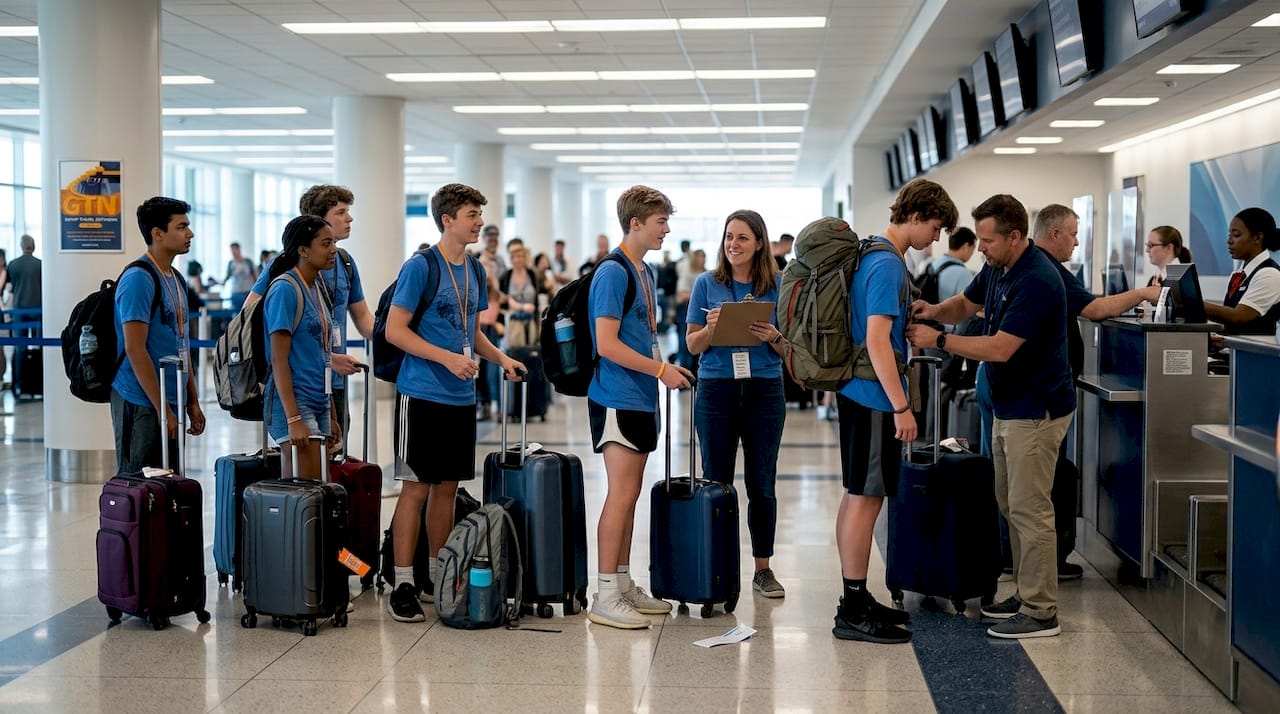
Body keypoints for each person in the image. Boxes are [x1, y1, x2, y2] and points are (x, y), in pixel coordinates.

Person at [907, 194, 1075, 640]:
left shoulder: (1037, 279)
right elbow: (967, 303)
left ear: (1015, 237)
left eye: (988, 240)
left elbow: (1000, 347)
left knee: (1030, 507)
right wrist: (935, 312)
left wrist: (938, 340)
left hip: (1035, 410)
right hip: (1007, 405)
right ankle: (1026, 592)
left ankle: (1041, 611)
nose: (981, 247)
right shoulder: (1000, 268)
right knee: (1010, 502)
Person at [384, 183, 524, 623]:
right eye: (471, 213)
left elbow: (471, 330)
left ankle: (436, 574)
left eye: (479, 213)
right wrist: (447, 359)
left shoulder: (476, 271)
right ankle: (403, 581)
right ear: (447, 219)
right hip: (422, 395)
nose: (479, 221)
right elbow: (395, 330)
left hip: (460, 398)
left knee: (446, 489)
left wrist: (500, 357)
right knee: (416, 488)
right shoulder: (421, 267)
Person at [830, 179, 958, 645]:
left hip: (859, 392)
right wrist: (902, 406)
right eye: (936, 227)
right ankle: (852, 608)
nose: (936, 238)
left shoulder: (875, 255)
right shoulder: (885, 263)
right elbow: (878, 341)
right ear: (918, 215)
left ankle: (856, 599)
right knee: (867, 500)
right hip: (874, 397)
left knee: (857, 496)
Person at [1018, 204, 1161, 580]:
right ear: (1054, 235)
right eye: (1073, 233)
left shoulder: (1041, 268)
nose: (1077, 241)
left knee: (1037, 482)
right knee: (1043, 482)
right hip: (1043, 397)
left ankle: (1036, 561)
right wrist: (1141, 293)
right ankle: (1043, 565)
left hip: (1037, 393)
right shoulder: (1047, 270)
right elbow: (1095, 310)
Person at [587, 185, 693, 629]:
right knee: (621, 494)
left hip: (640, 396)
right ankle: (606, 592)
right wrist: (658, 370)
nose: (666, 229)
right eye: (660, 221)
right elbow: (606, 344)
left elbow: (638, 337)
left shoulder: (644, 272)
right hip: (616, 396)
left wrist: (659, 370)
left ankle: (624, 582)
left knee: (630, 497)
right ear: (636, 223)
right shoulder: (613, 273)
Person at [686, 209, 788, 599]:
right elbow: (692, 346)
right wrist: (711, 331)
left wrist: (773, 335)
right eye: (729, 236)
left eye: (743, 237)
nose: (734, 244)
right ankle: (718, 564)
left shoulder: (778, 285)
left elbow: (789, 351)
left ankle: (763, 568)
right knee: (717, 482)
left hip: (764, 390)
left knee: (762, 483)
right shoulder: (706, 284)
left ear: (759, 242)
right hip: (716, 391)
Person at [245, 185, 374, 444]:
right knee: (305, 466)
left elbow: (364, 318)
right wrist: (326, 357)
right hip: (299, 381)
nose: (349, 218)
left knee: (333, 458)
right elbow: (252, 313)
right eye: (341, 212)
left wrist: (401, 338)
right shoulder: (285, 270)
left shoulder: (345, 263)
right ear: (319, 220)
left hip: (330, 383)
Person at [111, 197, 207, 474]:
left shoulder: (175, 278)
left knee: (169, 485)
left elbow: (181, 342)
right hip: (142, 400)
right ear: (157, 233)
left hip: (171, 398)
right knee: (141, 486)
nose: (190, 233)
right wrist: (162, 409)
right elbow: (135, 349)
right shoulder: (139, 278)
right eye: (181, 226)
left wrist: (192, 401)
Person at [262, 215, 341, 478]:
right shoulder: (285, 289)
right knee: (307, 489)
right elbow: (279, 359)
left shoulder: (316, 286)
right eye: (326, 243)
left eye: (334, 243)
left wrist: (330, 413)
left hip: (319, 397)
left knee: (319, 489)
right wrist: (293, 418)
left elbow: (321, 355)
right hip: (294, 401)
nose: (334, 250)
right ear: (303, 250)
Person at [1203, 207, 1280, 336]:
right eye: (1229, 234)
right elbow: (1228, 319)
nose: (1229, 241)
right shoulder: (1239, 274)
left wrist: (1191, 304)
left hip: (1257, 355)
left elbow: (1239, 316)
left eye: (1236, 235)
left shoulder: (1269, 274)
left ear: (1257, 237)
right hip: (1236, 352)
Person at [4, 235, 42, 390]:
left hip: (19, 309)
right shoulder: (41, 265)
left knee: (20, 348)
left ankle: (19, 385)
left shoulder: (13, 265)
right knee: (42, 347)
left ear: (21, 246)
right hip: (39, 310)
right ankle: (40, 383)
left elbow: (9, 288)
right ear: (33, 246)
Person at [499, 244, 547, 349]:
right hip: (512, 321)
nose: (517, 259)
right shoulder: (506, 276)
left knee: (531, 353)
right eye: (514, 257)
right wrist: (517, 305)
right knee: (514, 352)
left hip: (531, 321)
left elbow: (538, 295)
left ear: (525, 257)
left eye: (520, 256)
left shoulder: (532, 274)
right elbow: (500, 297)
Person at [925, 227, 977, 305]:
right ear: (965, 247)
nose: (972, 254)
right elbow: (969, 306)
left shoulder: (932, 263)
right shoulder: (963, 274)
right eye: (972, 249)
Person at [674, 249, 705, 372]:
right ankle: (684, 368)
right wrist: (698, 295)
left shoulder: (706, 273)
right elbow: (681, 294)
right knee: (684, 339)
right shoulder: (687, 273)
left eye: (703, 257)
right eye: (699, 257)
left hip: (701, 309)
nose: (701, 260)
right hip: (686, 308)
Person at [224, 242, 257, 312]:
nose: (233, 252)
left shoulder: (248, 262)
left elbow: (254, 276)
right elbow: (227, 276)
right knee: (236, 313)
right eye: (231, 250)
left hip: (247, 291)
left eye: (234, 250)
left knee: (248, 312)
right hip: (236, 292)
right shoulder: (231, 263)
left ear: (239, 249)